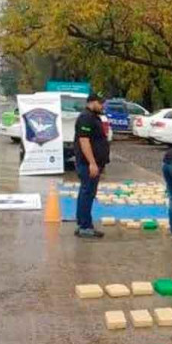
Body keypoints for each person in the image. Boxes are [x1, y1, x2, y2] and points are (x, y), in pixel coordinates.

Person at [74, 93, 111, 238]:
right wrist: (92, 163)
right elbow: (84, 141)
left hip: (92, 163)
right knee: (87, 193)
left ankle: (83, 223)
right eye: (101, 104)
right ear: (93, 102)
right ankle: (85, 227)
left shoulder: (92, 116)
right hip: (87, 164)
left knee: (87, 193)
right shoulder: (86, 117)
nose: (103, 107)